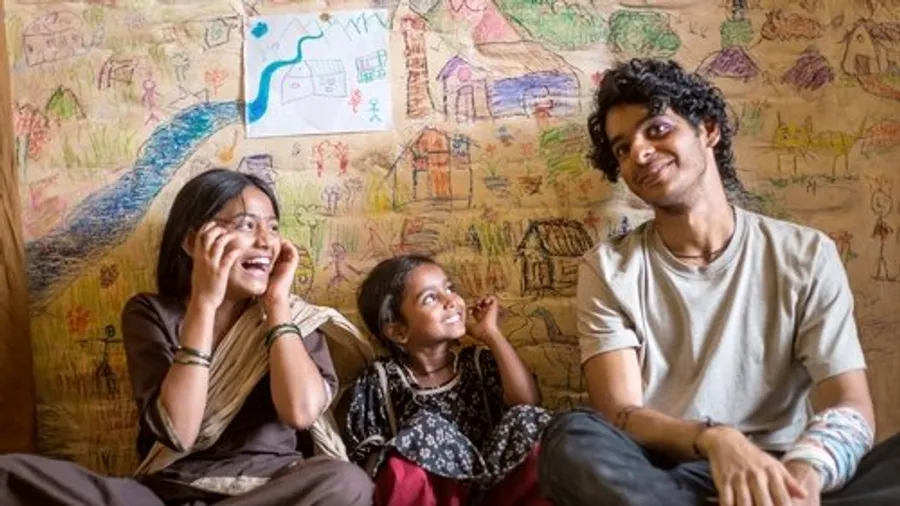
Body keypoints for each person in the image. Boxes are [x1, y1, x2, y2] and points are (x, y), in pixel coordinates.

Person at [537, 58, 900, 506]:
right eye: (622, 149)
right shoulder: (608, 269)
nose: (639, 154)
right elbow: (620, 414)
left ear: (708, 130)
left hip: (783, 470)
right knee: (569, 437)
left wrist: (802, 478)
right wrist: (716, 439)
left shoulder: (806, 254)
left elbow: (850, 403)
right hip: (666, 475)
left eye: (656, 129)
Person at [1, 169, 375, 506]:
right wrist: (204, 303)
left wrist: (277, 305)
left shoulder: (297, 319)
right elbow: (179, 433)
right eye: (247, 225)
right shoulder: (151, 313)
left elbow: (301, 412)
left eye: (273, 228)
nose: (265, 241)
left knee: (345, 482)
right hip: (169, 493)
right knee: (10, 474)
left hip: (273, 491)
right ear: (193, 242)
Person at [346, 254, 552, 506]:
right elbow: (370, 463)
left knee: (528, 419)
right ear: (398, 330)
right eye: (430, 298)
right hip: (437, 497)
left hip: (497, 490)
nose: (451, 300)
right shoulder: (380, 381)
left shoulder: (477, 362)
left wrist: (491, 334)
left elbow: (527, 402)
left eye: (449, 288)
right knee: (422, 432)